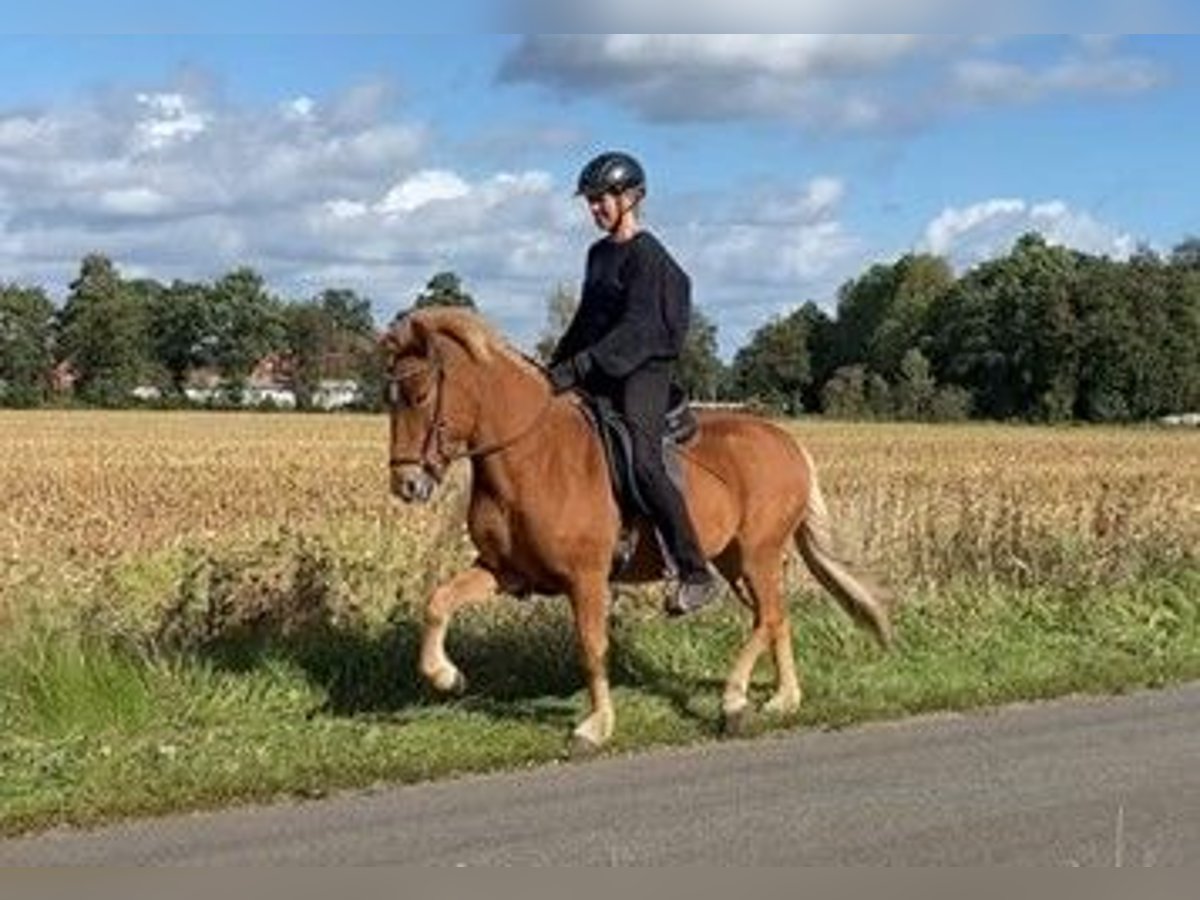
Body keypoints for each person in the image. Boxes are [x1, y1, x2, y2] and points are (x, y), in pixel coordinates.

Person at [547, 151, 717, 617]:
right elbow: (586, 321)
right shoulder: (598, 254)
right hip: (602, 364)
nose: (595, 209)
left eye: (602, 199)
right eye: (590, 201)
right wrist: (551, 371)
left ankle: (695, 571)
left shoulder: (649, 256)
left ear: (631, 197)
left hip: (643, 367)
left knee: (642, 460)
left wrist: (580, 368)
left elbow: (638, 330)